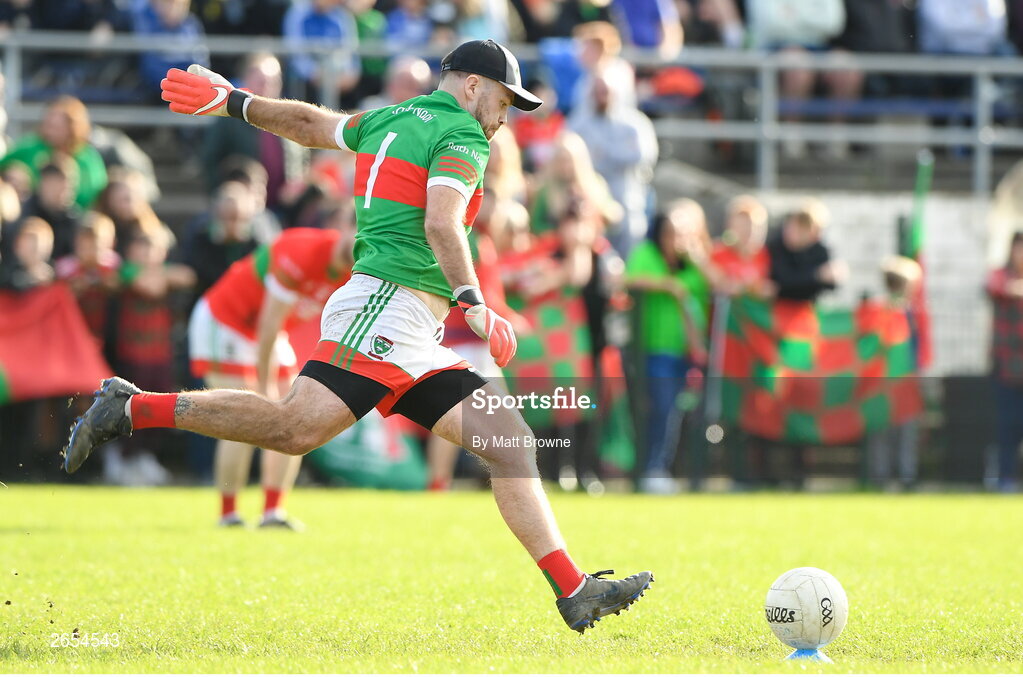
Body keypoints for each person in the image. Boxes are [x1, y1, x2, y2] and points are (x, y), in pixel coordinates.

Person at [66, 39, 652, 632]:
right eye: (505, 101)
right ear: (473, 86)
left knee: (511, 444)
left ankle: (574, 590)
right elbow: (442, 221)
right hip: (384, 307)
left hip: (408, 324)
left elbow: (310, 123)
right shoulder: (464, 136)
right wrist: (475, 303)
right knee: (294, 429)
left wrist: (238, 103)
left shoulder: (390, 117)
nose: (505, 119)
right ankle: (132, 407)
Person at [190, 225, 356, 528]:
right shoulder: (303, 251)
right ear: (345, 227)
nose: (362, 242)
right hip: (227, 320)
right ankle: (228, 515)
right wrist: (265, 390)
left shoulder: (356, 272)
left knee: (298, 418)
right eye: (358, 231)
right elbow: (268, 325)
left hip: (269, 333)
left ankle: (272, 513)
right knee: (240, 416)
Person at [625, 200, 711, 493]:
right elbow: (631, 278)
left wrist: (697, 257)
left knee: (676, 411)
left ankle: (662, 468)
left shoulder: (695, 263)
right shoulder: (647, 254)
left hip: (688, 352)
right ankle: (652, 468)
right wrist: (667, 285)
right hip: (655, 349)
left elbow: (716, 283)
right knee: (660, 408)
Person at [200, 53, 309, 210]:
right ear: (246, 80)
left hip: (285, 209)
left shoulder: (289, 119)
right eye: (262, 81)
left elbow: (303, 156)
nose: (268, 87)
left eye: (274, 82)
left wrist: (296, 183)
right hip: (243, 212)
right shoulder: (229, 120)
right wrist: (227, 197)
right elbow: (210, 160)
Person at [569, 70, 658, 259]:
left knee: (632, 235)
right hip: (590, 196)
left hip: (627, 192)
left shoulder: (634, 123)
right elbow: (568, 150)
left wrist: (605, 154)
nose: (602, 96)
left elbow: (643, 155)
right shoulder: (579, 123)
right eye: (597, 91)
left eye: (606, 91)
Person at [866, 256, 922, 490]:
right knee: (884, 430)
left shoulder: (910, 313)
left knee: (903, 430)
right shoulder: (882, 311)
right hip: (885, 381)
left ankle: (905, 476)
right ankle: (882, 477)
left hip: (903, 380)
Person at [0, 96, 108, 209]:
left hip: (75, 219)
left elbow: (98, 195)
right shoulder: (30, 147)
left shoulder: (87, 158)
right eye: (49, 122)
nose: (50, 128)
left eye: (57, 126)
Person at [985, 231, 1023, 493]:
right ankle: (1005, 478)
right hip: (1007, 367)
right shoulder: (1000, 275)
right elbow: (996, 287)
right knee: (1007, 426)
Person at [767, 200, 843, 303]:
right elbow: (783, 281)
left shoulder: (819, 250)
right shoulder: (775, 246)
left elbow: (831, 284)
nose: (793, 231)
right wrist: (817, 275)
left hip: (806, 310)